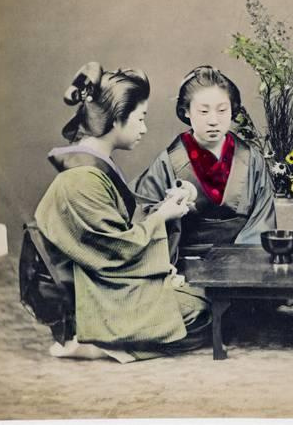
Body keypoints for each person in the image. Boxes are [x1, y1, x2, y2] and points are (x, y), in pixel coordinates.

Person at [34, 62, 209, 362]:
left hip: (104, 278)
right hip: (91, 291)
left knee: (199, 300)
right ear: (117, 119)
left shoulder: (91, 167)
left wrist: (164, 208)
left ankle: (101, 338)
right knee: (199, 312)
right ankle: (95, 341)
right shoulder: (79, 178)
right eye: (140, 118)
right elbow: (113, 248)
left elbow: (118, 228)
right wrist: (161, 217)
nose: (144, 128)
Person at [133, 65, 275, 260]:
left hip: (240, 263)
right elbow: (145, 216)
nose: (213, 120)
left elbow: (262, 221)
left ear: (232, 110)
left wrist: (239, 262)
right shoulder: (169, 161)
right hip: (182, 264)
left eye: (222, 110)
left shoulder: (251, 159)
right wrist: (169, 210)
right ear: (187, 112)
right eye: (203, 111)